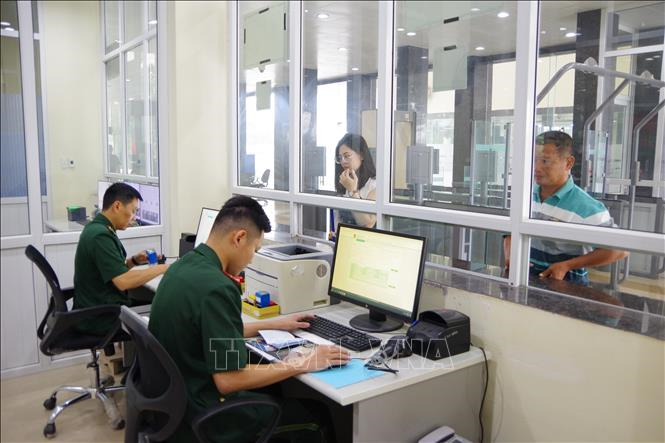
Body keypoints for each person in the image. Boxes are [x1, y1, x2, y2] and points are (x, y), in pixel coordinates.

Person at [149, 196, 350, 443]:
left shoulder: (185, 266)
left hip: (176, 404)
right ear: (239, 237)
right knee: (318, 415)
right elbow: (228, 379)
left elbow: (207, 330)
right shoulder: (217, 288)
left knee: (275, 387)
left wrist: (273, 324)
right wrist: (304, 362)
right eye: (254, 250)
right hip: (206, 416)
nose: (252, 259)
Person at [503, 131, 628, 284]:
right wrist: (510, 255)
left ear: (568, 163)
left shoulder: (586, 206)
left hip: (565, 286)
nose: (536, 168)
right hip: (525, 280)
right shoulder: (525, 196)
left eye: (545, 161)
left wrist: (567, 266)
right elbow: (510, 232)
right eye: (534, 160)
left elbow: (619, 250)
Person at [73, 182, 169, 335]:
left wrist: (134, 261)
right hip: (101, 318)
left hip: (98, 307)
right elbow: (123, 282)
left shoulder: (97, 228)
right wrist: (164, 268)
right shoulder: (100, 236)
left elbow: (110, 271)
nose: (134, 217)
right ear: (117, 206)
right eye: (133, 210)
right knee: (165, 312)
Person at [333, 133, 377, 231]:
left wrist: (353, 191)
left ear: (361, 155)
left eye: (347, 156)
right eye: (340, 158)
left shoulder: (375, 185)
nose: (343, 161)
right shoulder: (343, 182)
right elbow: (338, 220)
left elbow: (367, 224)